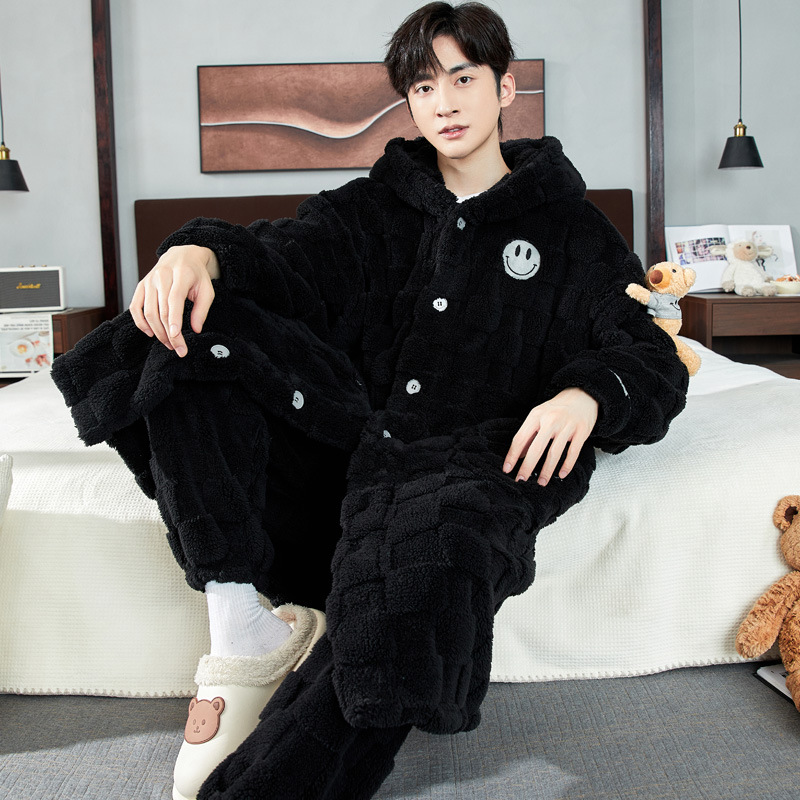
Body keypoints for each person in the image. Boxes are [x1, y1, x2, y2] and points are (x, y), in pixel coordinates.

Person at [52, 3, 688, 799]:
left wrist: (585, 395)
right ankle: (241, 624)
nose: (444, 104)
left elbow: (647, 353)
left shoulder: (575, 232)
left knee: (424, 571)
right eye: (423, 88)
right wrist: (196, 252)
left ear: (505, 87)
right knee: (188, 325)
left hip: (469, 467)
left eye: (463, 79)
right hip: (341, 452)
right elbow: (281, 258)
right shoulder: (371, 208)